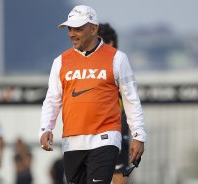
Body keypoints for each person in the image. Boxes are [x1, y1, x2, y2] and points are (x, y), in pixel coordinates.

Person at [39, 5, 147, 184]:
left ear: (94, 28)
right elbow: (52, 100)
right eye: (70, 28)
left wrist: (139, 135)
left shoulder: (117, 59)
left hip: (105, 138)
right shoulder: (60, 62)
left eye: (78, 28)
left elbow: (131, 99)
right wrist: (45, 128)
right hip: (72, 141)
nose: (72, 33)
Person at [98, 23, 130, 184]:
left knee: (119, 175)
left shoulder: (118, 64)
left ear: (109, 43)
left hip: (116, 125)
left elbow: (131, 100)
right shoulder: (89, 66)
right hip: (94, 128)